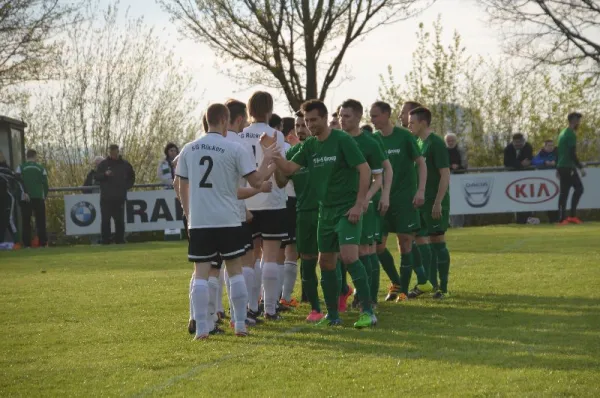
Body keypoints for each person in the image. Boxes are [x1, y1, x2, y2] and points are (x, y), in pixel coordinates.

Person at [176, 103, 277, 340]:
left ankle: (202, 328)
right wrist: (267, 160)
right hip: (229, 219)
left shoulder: (189, 149)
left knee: (201, 273)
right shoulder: (234, 148)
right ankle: (240, 324)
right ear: (224, 120)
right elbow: (256, 181)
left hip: (201, 221)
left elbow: (180, 184)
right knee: (235, 271)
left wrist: (188, 214)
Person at [273, 99, 377, 329]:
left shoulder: (342, 140)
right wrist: (272, 153)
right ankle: (332, 315)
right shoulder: (310, 146)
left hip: (346, 209)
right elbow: (289, 169)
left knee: (350, 257)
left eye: (313, 120)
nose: (309, 125)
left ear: (323, 118)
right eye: (306, 120)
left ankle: (368, 311)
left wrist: (359, 204)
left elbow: (365, 170)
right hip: (325, 211)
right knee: (326, 261)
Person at [371, 101, 431, 302]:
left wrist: (420, 191)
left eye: (375, 115)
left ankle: (403, 291)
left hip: (405, 199)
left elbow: (421, 164)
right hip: (382, 200)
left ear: (387, 115)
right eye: (370, 116)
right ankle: (396, 282)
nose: (372, 119)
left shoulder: (404, 136)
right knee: (378, 246)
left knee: (405, 243)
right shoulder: (374, 139)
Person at [239, 91, 288, 321]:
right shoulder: (276, 135)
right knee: (270, 256)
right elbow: (284, 169)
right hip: (272, 199)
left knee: (250, 257)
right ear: (269, 110)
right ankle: (270, 308)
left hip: (247, 201)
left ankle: (251, 307)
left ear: (249, 111)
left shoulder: (239, 137)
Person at [275, 110, 324, 321]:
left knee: (334, 260)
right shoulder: (294, 153)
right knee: (308, 260)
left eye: (305, 125)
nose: (302, 129)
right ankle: (315, 308)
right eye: (298, 126)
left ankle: (341, 298)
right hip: (303, 213)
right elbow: (281, 182)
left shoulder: (325, 149)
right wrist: (278, 159)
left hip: (327, 211)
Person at [338, 99, 386, 312]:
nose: (342, 119)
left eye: (347, 116)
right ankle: (346, 296)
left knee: (366, 250)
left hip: (364, 204)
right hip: (339, 205)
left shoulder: (370, 143)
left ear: (358, 117)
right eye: (340, 115)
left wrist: (365, 199)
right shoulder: (335, 140)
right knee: (342, 254)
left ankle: (369, 298)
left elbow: (379, 178)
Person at [408, 107, 452, 300]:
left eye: (412, 122)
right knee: (419, 243)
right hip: (420, 203)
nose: (409, 126)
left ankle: (443, 287)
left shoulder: (436, 143)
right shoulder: (418, 142)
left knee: (437, 243)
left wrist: (438, 202)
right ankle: (428, 283)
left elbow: (445, 174)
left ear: (423, 122)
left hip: (434, 202)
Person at [95, 145, 135, 245]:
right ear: (109, 152)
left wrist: (126, 187)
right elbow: (96, 176)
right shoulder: (103, 164)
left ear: (118, 151)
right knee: (105, 220)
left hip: (119, 197)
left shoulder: (125, 164)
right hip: (106, 198)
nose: (113, 153)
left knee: (120, 220)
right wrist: (105, 175)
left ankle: (120, 239)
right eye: (112, 151)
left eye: (115, 151)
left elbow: (132, 177)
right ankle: (105, 240)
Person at [557, 112, 586, 225]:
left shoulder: (563, 132)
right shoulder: (570, 134)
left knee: (565, 192)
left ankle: (563, 218)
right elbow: (572, 154)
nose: (579, 123)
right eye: (578, 120)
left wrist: (557, 168)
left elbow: (560, 152)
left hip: (563, 166)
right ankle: (570, 216)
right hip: (568, 167)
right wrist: (580, 167)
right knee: (578, 189)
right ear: (574, 120)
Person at [16, 149, 48, 248]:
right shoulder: (41, 168)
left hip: (26, 197)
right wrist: (44, 196)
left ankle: (27, 244)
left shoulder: (20, 168)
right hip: (38, 197)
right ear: (35, 156)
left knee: (26, 222)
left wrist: (21, 195)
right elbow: (46, 185)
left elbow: (17, 182)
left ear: (27, 156)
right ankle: (43, 243)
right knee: (41, 221)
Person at [0, 151, 27, 246]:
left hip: (7, 197)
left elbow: (19, 180)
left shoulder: (7, 170)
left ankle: (17, 242)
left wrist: (24, 193)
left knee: (9, 219)